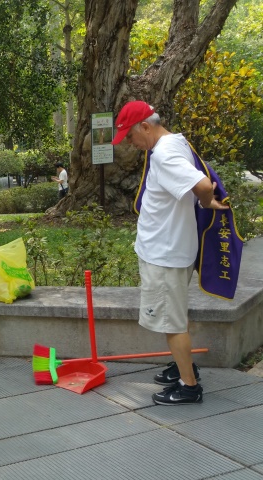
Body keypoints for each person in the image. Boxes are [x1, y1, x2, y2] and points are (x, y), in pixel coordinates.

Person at [112, 100, 229, 405]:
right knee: (174, 315)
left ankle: (188, 386)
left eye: (130, 136)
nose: (131, 143)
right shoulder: (176, 142)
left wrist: (206, 202)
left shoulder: (163, 154)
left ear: (145, 127)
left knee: (171, 323)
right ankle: (182, 366)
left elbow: (203, 184)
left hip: (164, 254)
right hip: (171, 248)